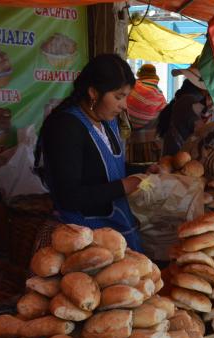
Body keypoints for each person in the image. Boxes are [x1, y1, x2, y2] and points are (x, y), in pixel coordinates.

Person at [35, 54, 143, 250]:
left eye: (126, 96)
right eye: (118, 96)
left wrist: (145, 170)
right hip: (83, 239)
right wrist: (123, 187)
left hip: (116, 232)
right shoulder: (66, 127)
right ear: (93, 92)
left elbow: (108, 170)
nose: (124, 105)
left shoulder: (106, 121)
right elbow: (69, 196)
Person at [158, 61, 212, 156]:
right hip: (178, 158)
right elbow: (202, 132)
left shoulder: (185, 96)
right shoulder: (191, 101)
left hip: (175, 155)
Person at [127, 64, 167, 131]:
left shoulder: (132, 85)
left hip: (126, 125)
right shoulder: (160, 95)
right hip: (145, 134)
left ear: (140, 74)